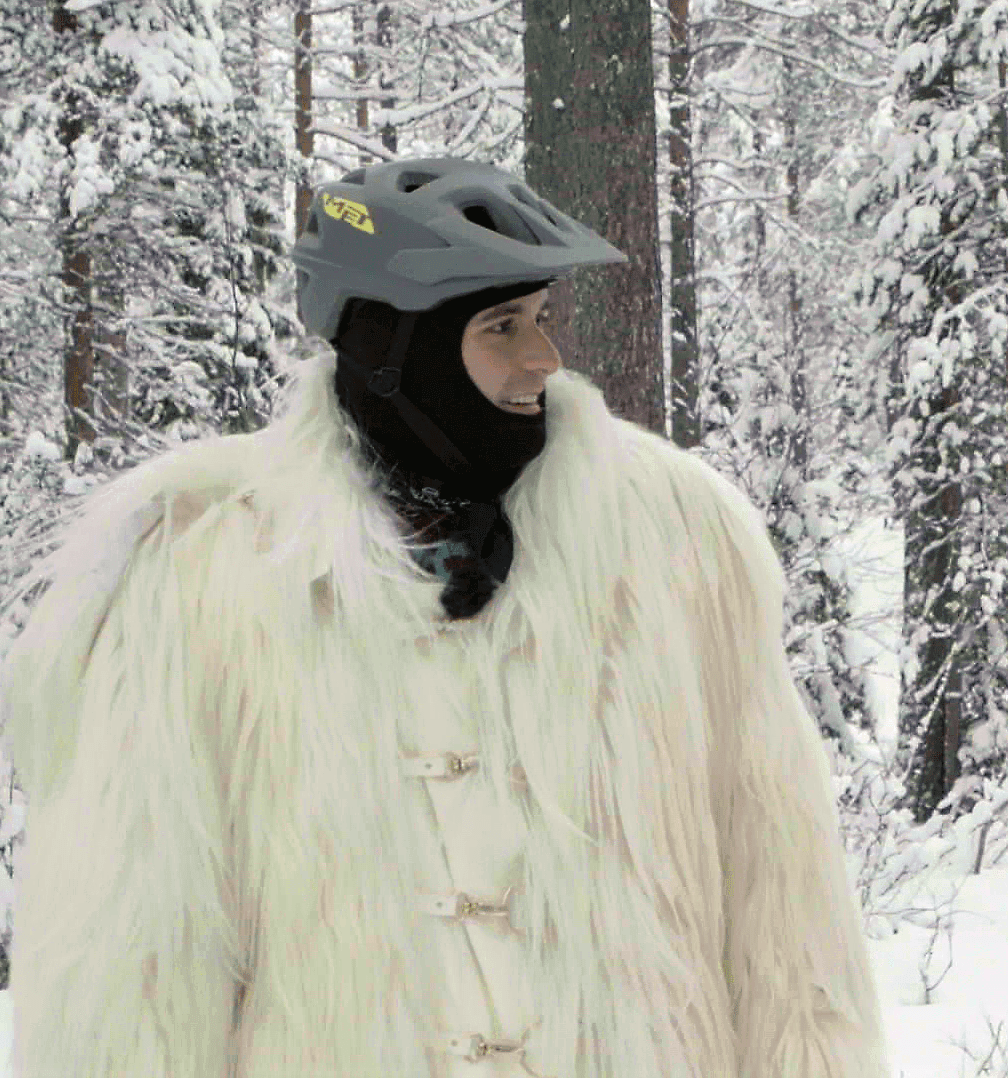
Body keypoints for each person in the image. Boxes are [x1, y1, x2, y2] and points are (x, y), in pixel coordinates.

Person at [0, 157, 889, 1078]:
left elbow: (784, 915)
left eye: (543, 319)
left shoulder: (676, 542)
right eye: (502, 327)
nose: (543, 359)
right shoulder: (200, 570)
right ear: (394, 348)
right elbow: (135, 966)